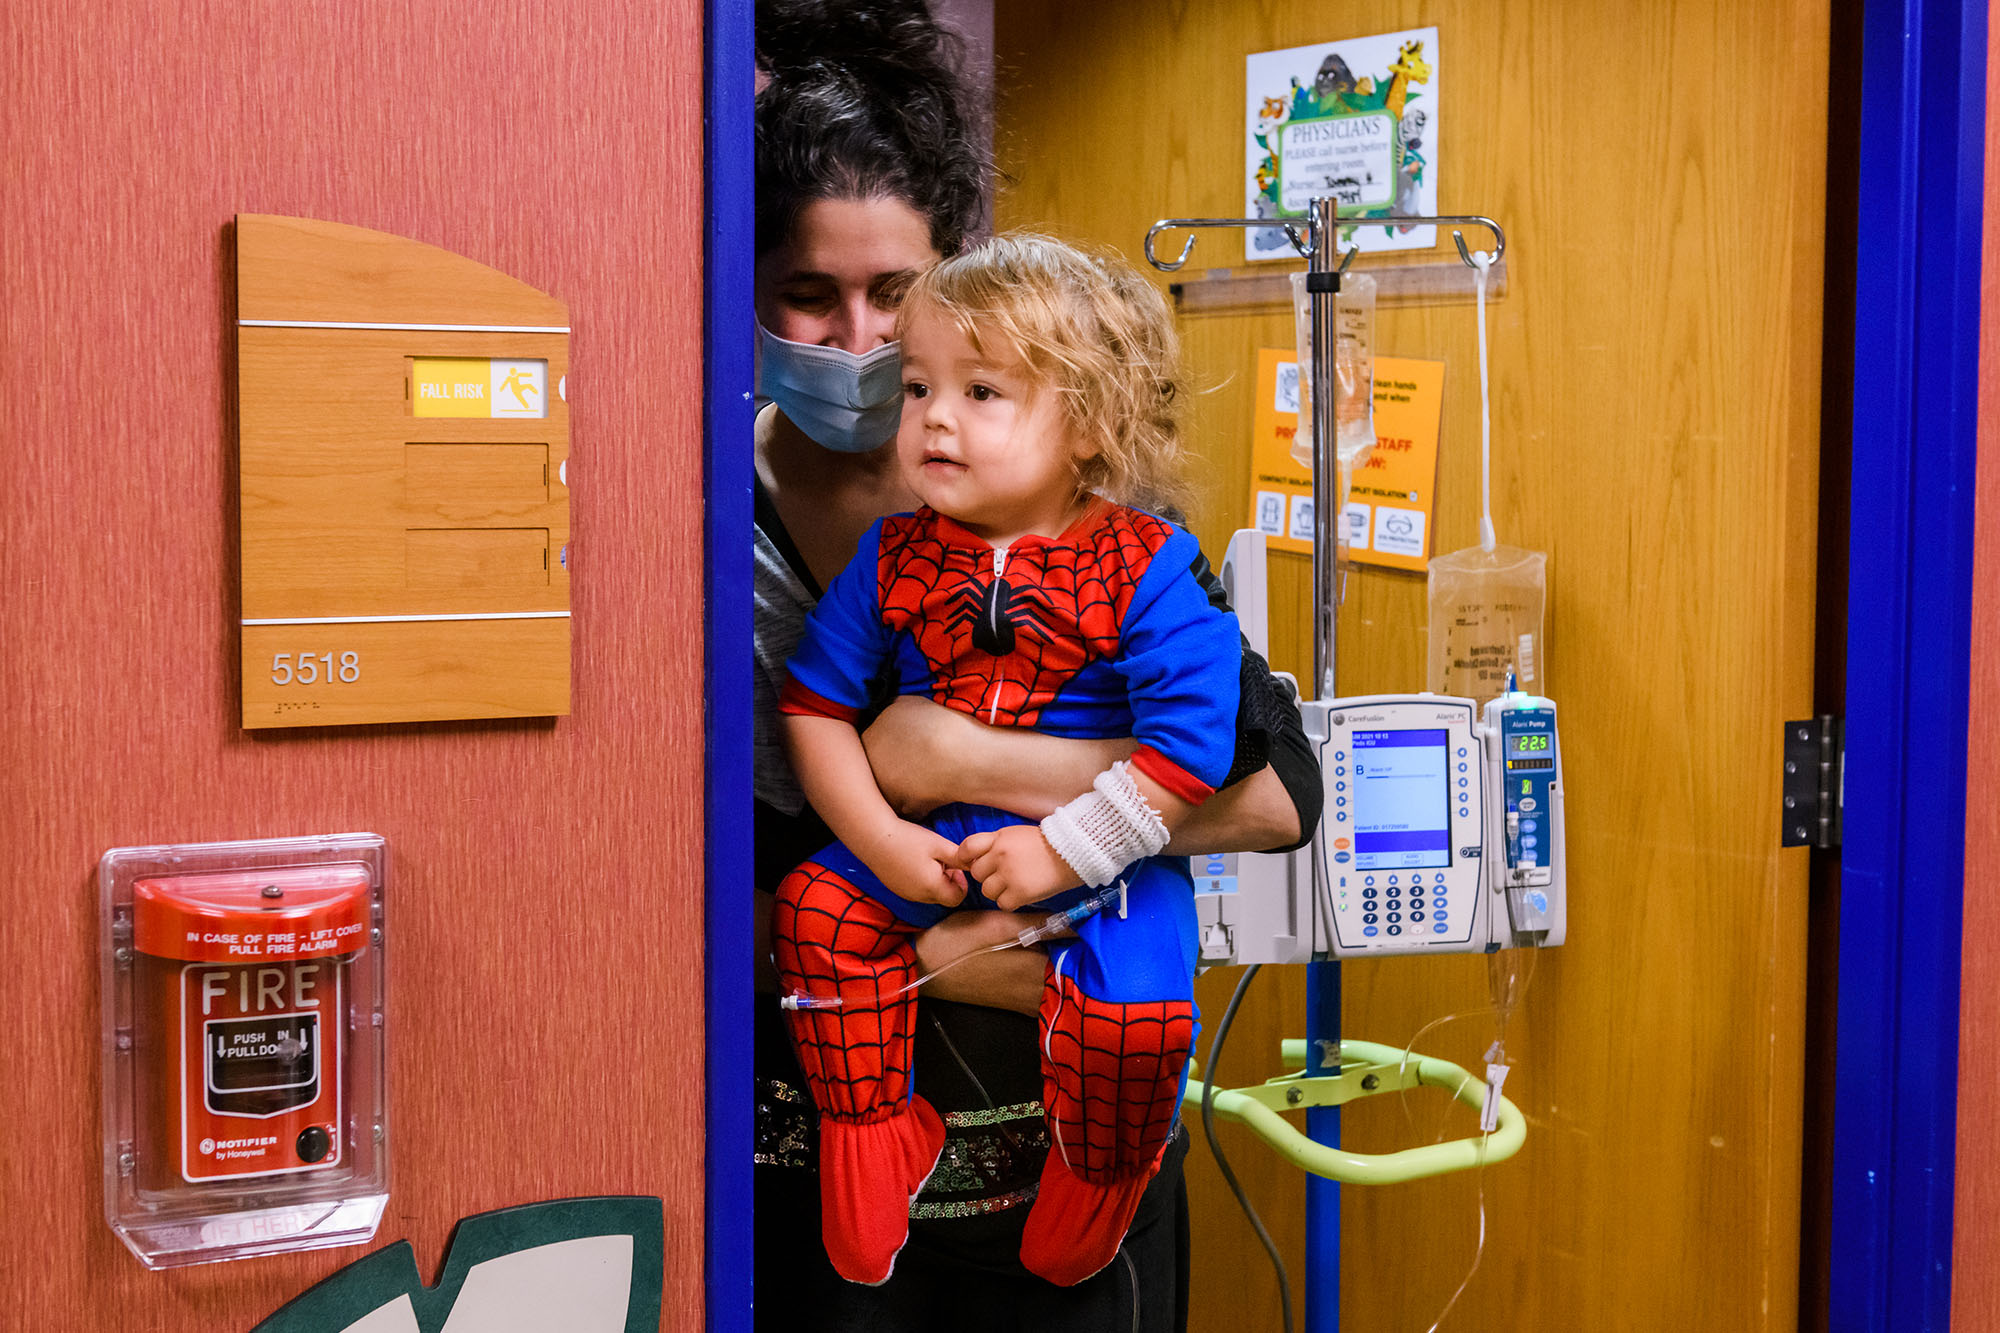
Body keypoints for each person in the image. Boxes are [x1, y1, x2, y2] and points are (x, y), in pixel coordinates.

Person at [751, 3, 1320, 1328]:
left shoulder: (1105, 524)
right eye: (809, 295)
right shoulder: (710, 524)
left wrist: (965, 758)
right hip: (828, 1173)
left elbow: (1278, 792)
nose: (858, 340)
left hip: (1075, 1149)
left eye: (894, 294)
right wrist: (936, 938)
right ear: (748, 285)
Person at [774, 232, 1245, 1290]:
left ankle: (1104, 1166)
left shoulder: (1149, 564)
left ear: (1089, 425)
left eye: (980, 391)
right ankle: (874, 1130)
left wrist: (1062, 852)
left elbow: (1190, 751)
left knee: (1138, 1016)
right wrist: (882, 842)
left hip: (1112, 865)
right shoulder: (894, 556)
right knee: (817, 914)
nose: (933, 418)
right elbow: (813, 705)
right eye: (918, 387)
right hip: (936, 847)